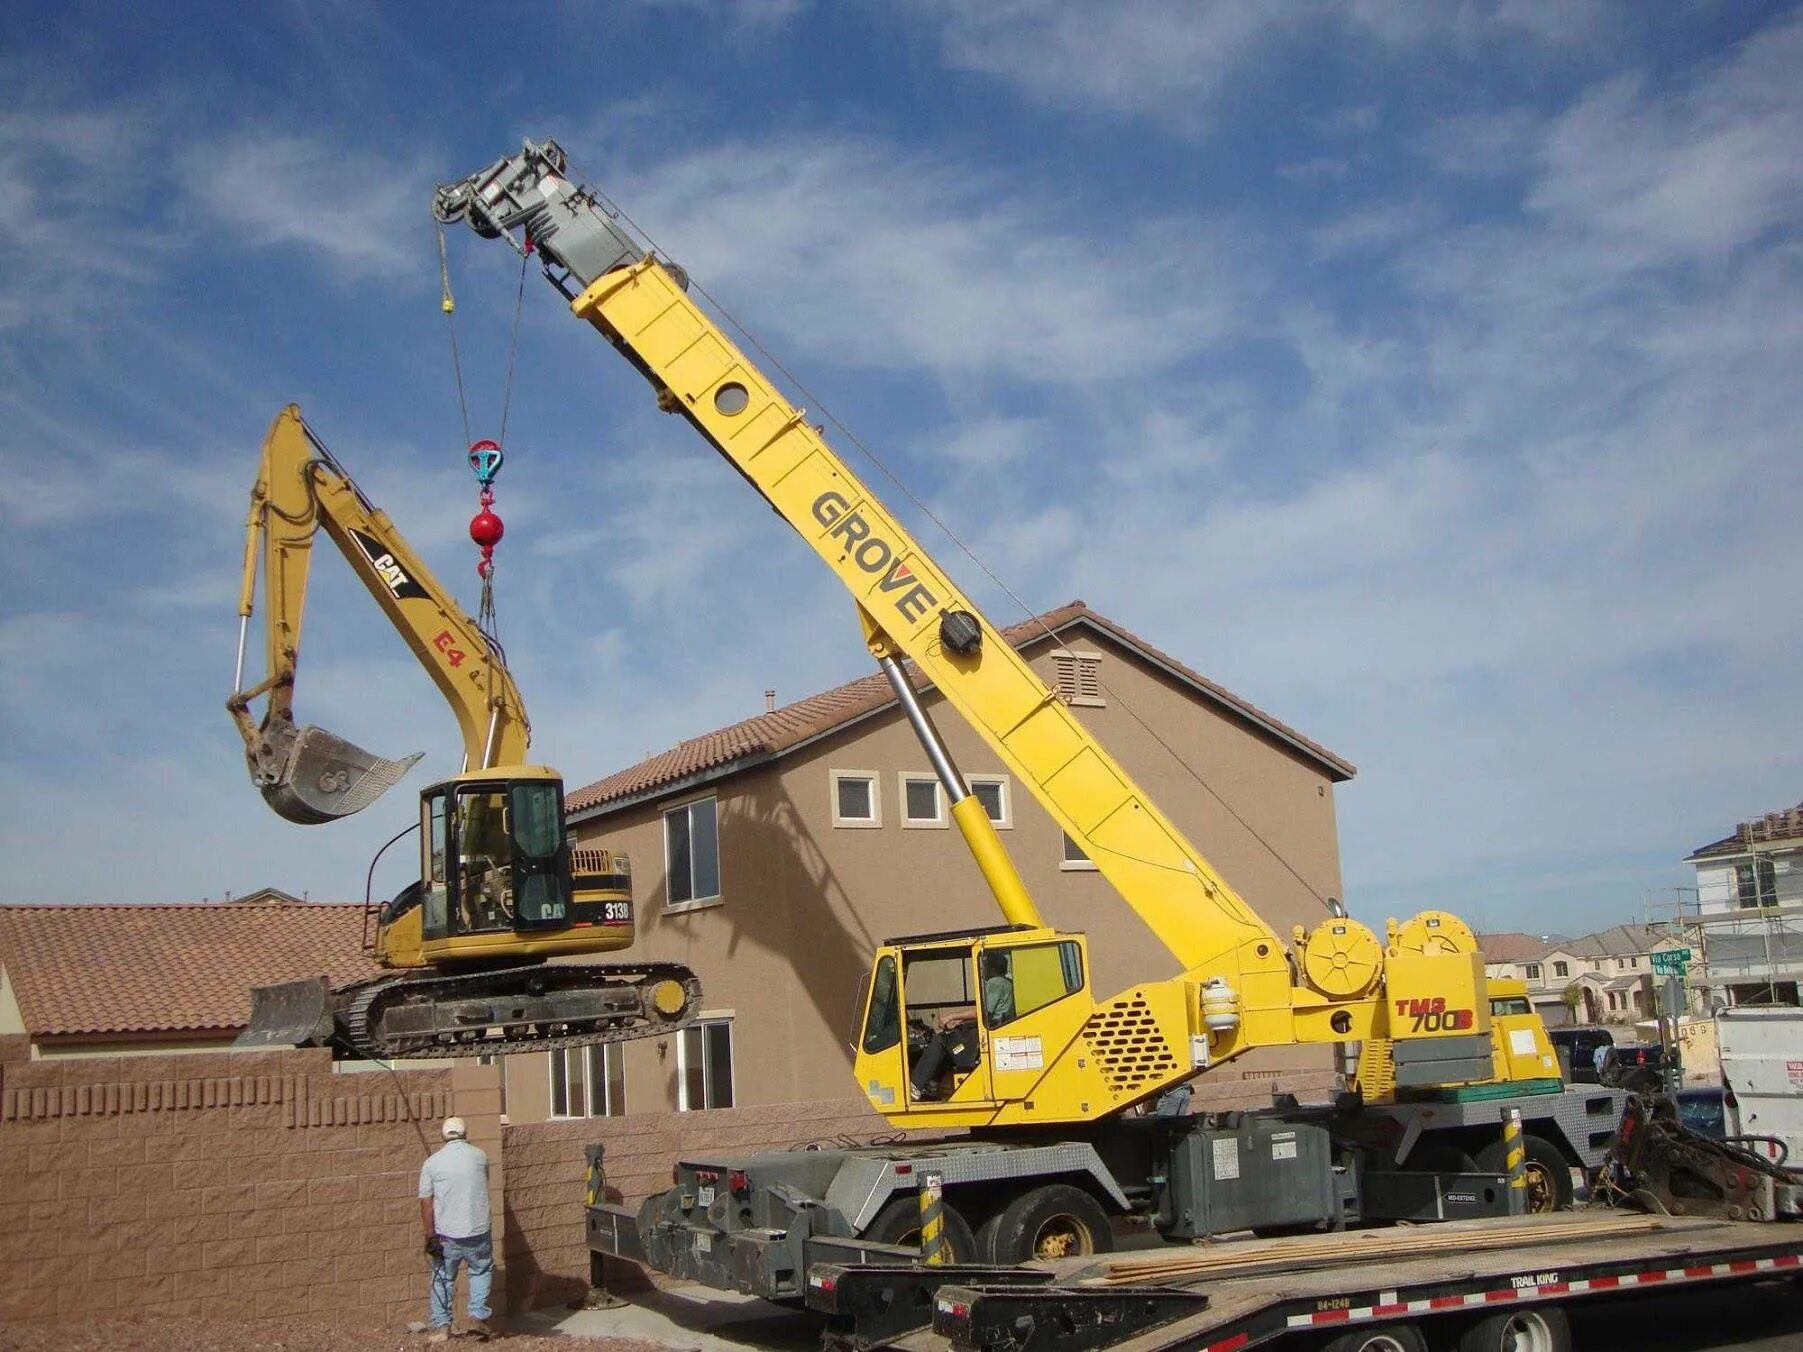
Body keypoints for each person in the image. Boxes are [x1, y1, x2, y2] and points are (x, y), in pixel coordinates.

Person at [419, 1116, 492, 1343]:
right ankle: (477, 1316)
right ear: (464, 1134)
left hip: (446, 1235)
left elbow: (425, 1202)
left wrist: (430, 1235)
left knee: (442, 1278)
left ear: (443, 1136)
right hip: (478, 1230)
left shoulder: (432, 1163)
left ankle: (442, 1327)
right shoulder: (480, 1157)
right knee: (480, 1271)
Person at [909, 953, 1015, 1099]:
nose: (983, 969)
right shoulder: (1007, 983)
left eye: (985, 965)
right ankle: (932, 1083)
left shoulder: (996, 983)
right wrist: (960, 1022)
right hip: (985, 1039)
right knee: (952, 1038)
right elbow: (989, 1015)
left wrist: (952, 1016)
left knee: (942, 1039)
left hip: (976, 1050)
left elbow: (983, 1013)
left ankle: (917, 1084)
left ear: (992, 967)